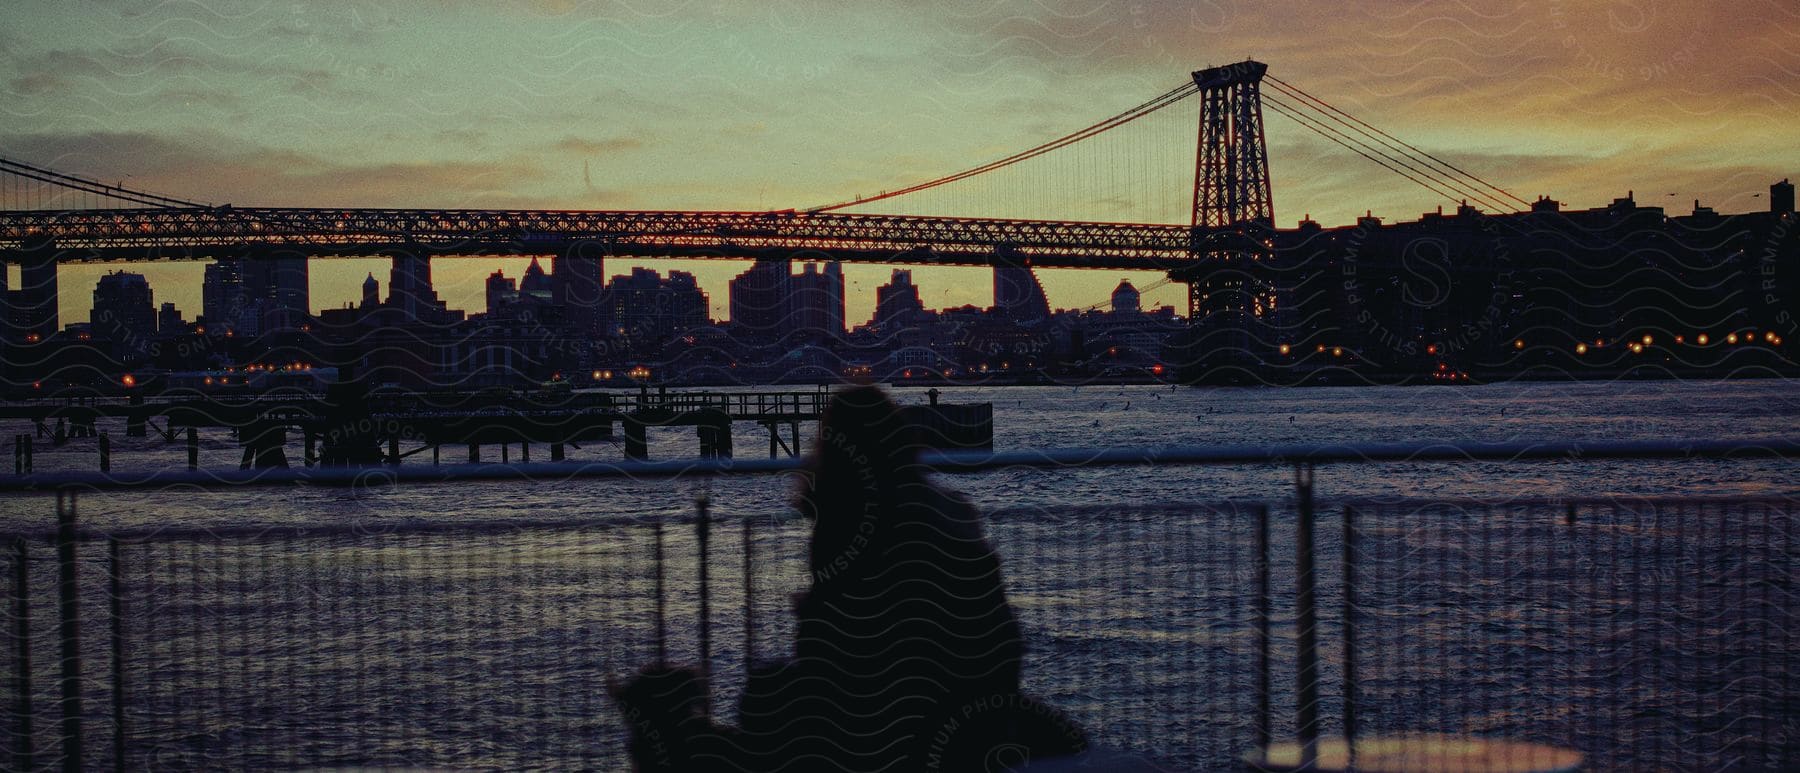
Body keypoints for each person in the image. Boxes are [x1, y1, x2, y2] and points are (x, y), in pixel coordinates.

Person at [612, 386, 1084, 771]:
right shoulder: (951, 507)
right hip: (981, 694)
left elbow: (833, 646)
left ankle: (669, 736)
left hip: (888, 711)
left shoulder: (848, 517)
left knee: (762, 705)